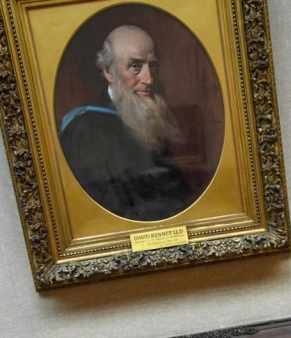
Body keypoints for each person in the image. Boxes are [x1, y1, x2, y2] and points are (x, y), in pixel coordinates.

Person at [59, 24, 192, 221]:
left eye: (152, 65)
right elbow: (103, 209)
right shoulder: (86, 130)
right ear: (108, 72)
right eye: (135, 67)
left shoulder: (145, 118)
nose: (149, 79)